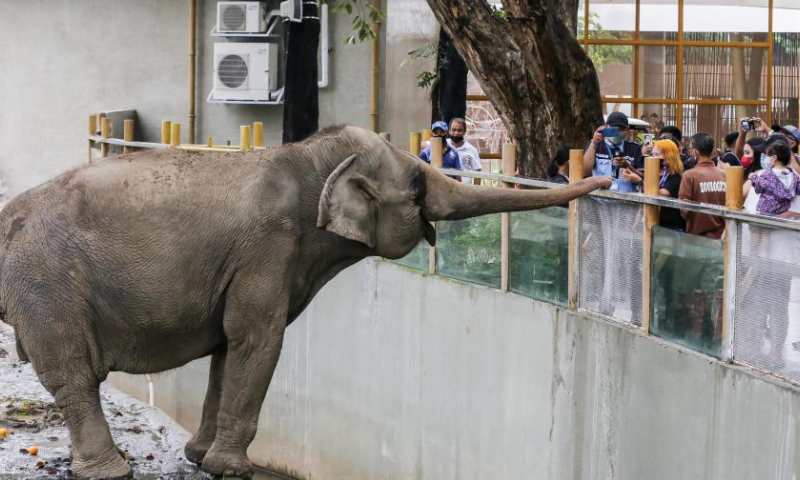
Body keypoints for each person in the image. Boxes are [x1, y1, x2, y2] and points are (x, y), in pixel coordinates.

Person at [679, 133, 726, 239]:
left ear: (695, 151)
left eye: (691, 148)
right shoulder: (724, 174)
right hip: (722, 237)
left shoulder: (689, 175)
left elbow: (685, 211)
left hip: (696, 239)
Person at [583, 111, 643, 192]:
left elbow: (643, 177)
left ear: (627, 130)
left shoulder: (635, 148)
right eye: (613, 129)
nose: (617, 133)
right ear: (606, 127)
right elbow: (584, 172)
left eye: (621, 129)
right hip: (600, 200)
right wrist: (593, 143)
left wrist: (628, 166)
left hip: (626, 201)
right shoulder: (596, 146)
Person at [749, 141, 800, 216]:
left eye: (767, 156)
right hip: (782, 211)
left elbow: (760, 187)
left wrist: (753, 177)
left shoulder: (768, 174)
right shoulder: (794, 176)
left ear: (774, 157)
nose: (766, 158)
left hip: (765, 212)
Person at [447, 118, 481, 185]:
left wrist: (475, 192)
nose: (456, 133)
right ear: (449, 131)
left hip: (465, 190)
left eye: (459, 130)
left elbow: (478, 173)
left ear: (464, 132)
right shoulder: (442, 145)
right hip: (445, 187)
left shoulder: (472, 150)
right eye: (453, 130)